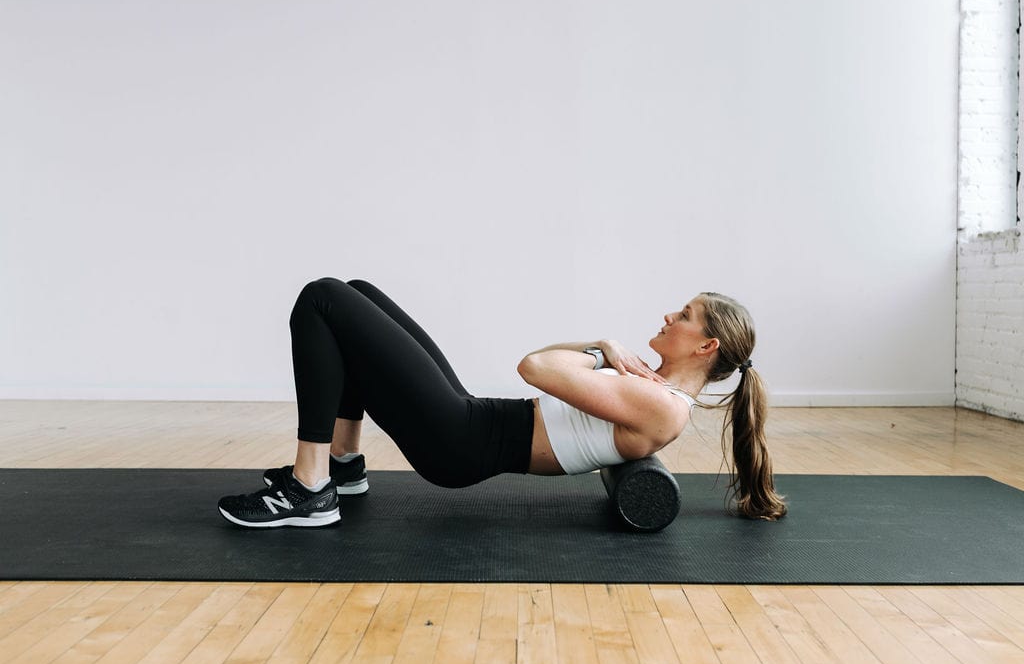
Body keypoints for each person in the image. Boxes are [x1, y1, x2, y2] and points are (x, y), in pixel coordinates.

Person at [217, 277, 787, 528]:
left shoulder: (663, 406)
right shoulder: (651, 387)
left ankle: (311, 489)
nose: (670, 315)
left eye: (684, 316)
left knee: (322, 300)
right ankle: (343, 466)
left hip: (461, 442)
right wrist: (605, 350)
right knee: (358, 293)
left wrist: (603, 349)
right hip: (471, 421)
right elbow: (542, 361)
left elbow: (535, 367)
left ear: (706, 346)